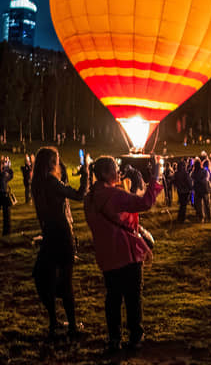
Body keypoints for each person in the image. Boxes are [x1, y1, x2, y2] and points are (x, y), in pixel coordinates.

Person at [84, 156, 162, 352]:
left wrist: (131, 189)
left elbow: (119, 212)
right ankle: (135, 336)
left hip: (106, 255)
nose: (118, 172)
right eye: (114, 169)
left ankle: (114, 338)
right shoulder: (114, 195)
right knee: (133, 298)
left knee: (113, 299)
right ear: (104, 173)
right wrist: (154, 177)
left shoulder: (90, 198)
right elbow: (144, 203)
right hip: (127, 254)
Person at [30, 147, 88, 340]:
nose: (58, 164)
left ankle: (54, 321)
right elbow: (79, 195)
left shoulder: (36, 184)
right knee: (65, 279)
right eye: (57, 161)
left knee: (44, 276)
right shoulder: (51, 182)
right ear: (50, 164)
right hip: (62, 235)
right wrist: (86, 174)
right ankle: (72, 326)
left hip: (49, 234)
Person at [0, 157, 13, 236]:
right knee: (6, 215)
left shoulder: (3, 174)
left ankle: (6, 231)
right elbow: (10, 176)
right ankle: (6, 231)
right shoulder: (3, 175)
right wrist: (8, 168)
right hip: (3, 195)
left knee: (6, 215)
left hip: (3, 194)